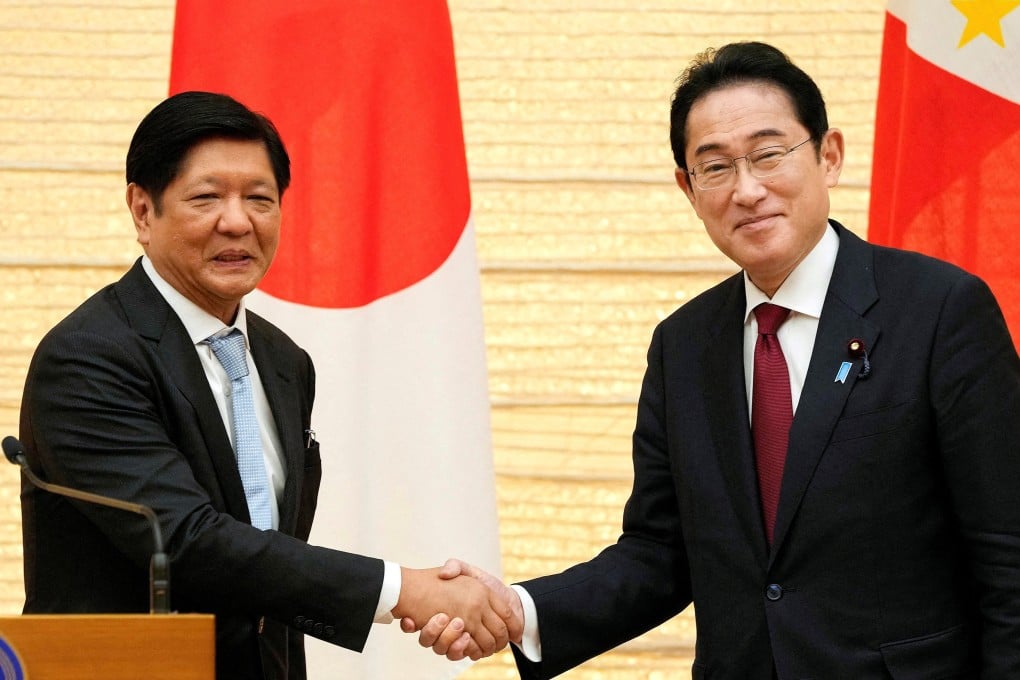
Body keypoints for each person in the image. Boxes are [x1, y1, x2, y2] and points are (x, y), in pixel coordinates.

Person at [408, 41, 1020, 678]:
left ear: (829, 156)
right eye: (717, 167)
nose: (748, 189)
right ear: (688, 188)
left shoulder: (941, 310)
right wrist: (519, 609)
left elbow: (1008, 554)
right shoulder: (684, 346)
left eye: (769, 153)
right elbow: (659, 552)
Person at [17, 91, 513, 679]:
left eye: (260, 199)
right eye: (207, 198)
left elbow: (271, 559)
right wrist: (404, 590)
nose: (238, 221)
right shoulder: (89, 356)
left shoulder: (282, 359)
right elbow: (189, 543)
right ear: (143, 211)